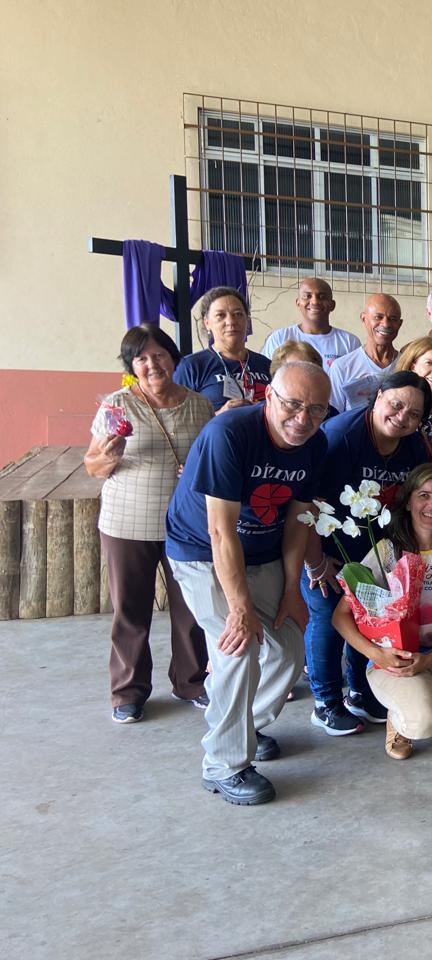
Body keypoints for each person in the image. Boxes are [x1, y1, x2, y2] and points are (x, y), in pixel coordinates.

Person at [165, 361, 331, 805]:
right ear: (269, 397)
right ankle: (223, 764)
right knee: (239, 648)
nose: (303, 419)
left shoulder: (317, 445)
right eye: (293, 405)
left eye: (317, 410)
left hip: (264, 552)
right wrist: (239, 607)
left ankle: (244, 725)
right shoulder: (230, 435)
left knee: (290, 646)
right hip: (203, 552)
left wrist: (293, 588)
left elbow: (299, 519)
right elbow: (220, 531)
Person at [85, 325, 213, 723]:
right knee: (130, 610)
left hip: (185, 526)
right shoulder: (116, 407)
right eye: (141, 358)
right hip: (127, 523)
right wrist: (110, 455)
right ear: (132, 366)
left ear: (173, 359)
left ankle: (192, 682)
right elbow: (93, 466)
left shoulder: (198, 405)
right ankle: (128, 692)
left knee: (191, 609)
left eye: (159, 355)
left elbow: (211, 458)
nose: (152, 364)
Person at [332, 464, 432, 764]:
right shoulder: (387, 551)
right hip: (396, 661)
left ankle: (429, 694)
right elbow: (341, 616)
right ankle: (402, 716)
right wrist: (376, 654)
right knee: (424, 722)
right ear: (408, 501)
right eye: (424, 495)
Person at [301, 372, 431, 736]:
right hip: (328, 547)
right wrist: (316, 561)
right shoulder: (341, 437)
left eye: (415, 413)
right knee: (327, 618)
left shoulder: (414, 446)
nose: (403, 416)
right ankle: (326, 702)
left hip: (376, 553)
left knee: (370, 619)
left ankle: (361, 690)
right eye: (396, 404)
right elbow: (309, 506)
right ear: (377, 397)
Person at [173, 287, 271, 413]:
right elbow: (176, 422)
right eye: (220, 315)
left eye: (238, 314)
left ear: (247, 320)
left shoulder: (266, 365)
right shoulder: (190, 367)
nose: (231, 321)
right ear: (207, 323)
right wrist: (220, 415)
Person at [261, 277, 360, 370]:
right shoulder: (279, 338)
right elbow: (266, 376)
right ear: (298, 303)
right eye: (307, 296)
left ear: (332, 305)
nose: (315, 301)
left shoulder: (350, 342)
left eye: (321, 297)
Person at [328, 294, 404, 412]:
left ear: (399, 324)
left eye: (392, 319)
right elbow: (333, 417)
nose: (385, 324)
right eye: (378, 317)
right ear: (364, 319)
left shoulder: (407, 365)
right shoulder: (342, 367)